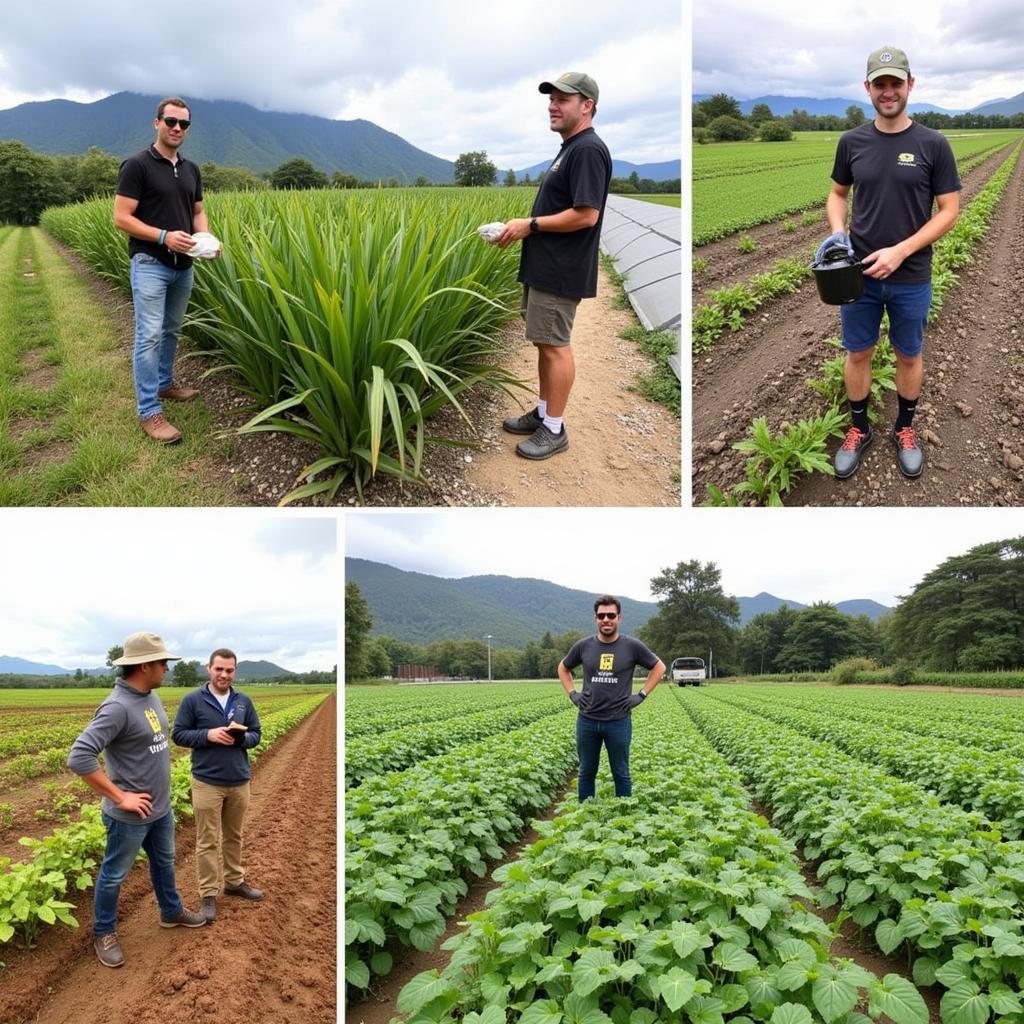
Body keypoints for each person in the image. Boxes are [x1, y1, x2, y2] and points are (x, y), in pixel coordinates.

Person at [818, 47, 960, 481]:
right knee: (857, 352)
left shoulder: (933, 144)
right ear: (868, 88)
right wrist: (838, 230)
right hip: (857, 275)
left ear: (910, 85)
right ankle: (859, 429)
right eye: (880, 83)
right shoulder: (852, 142)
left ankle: (904, 428)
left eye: (896, 82)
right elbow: (838, 194)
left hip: (911, 276)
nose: (888, 91)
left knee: (908, 354)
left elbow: (950, 209)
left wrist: (901, 250)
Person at [67, 632, 206, 968]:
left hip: (160, 808)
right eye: (163, 663)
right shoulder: (117, 707)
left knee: (164, 863)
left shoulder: (149, 697)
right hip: (129, 816)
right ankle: (104, 932)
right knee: (114, 874)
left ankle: (171, 912)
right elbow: (79, 756)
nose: (167, 669)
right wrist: (120, 797)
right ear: (145, 666)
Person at [495, 71, 612, 460]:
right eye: (551, 99)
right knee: (545, 344)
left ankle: (555, 429)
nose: (552, 105)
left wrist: (529, 225)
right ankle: (544, 413)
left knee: (556, 346)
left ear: (587, 105)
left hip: (561, 269)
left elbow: (586, 214)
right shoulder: (570, 148)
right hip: (545, 265)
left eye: (563, 99)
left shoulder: (587, 150)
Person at [113, 97, 217, 445]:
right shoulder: (137, 165)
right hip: (149, 263)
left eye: (183, 124)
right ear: (156, 122)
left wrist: (204, 238)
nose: (177, 128)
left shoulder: (191, 169)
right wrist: (163, 237)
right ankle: (149, 412)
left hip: (183, 267)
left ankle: (165, 384)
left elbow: (198, 209)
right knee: (149, 335)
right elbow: (121, 218)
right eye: (171, 121)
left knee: (171, 330)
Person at [171, 648, 263, 923]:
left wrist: (241, 739)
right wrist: (208, 735)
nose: (224, 674)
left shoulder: (243, 701)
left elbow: (256, 734)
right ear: (209, 669)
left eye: (229, 670)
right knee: (207, 840)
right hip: (207, 782)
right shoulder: (193, 701)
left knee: (234, 835)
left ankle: (235, 882)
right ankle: (208, 894)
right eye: (219, 669)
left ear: (235, 671)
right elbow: (179, 734)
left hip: (239, 780)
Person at [558, 595, 665, 801]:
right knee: (586, 773)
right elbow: (563, 667)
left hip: (619, 721)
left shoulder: (632, 646)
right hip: (587, 720)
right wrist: (572, 693)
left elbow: (659, 667)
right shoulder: (583, 646)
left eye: (611, 615)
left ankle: (623, 819)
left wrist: (641, 695)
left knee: (621, 773)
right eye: (601, 616)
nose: (606, 619)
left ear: (619, 618)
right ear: (595, 619)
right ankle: (585, 816)